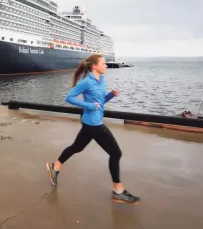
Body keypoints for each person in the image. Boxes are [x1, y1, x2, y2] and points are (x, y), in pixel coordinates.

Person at [45, 54, 140, 204]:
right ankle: (118, 191)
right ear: (95, 66)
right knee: (116, 153)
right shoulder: (87, 82)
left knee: (77, 147)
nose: (106, 65)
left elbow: (99, 102)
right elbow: (69, 98)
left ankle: (55, 166)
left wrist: (110, 95)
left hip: (90, 122)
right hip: (94, 124)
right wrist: (89, 106)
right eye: (103, 63)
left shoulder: (100, 79)